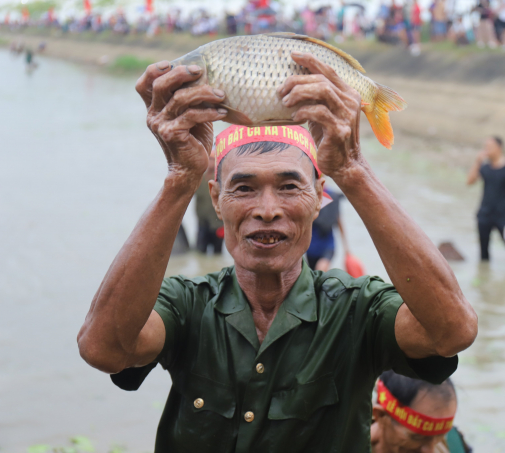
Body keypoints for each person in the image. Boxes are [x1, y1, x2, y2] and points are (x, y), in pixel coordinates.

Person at [77, 54, 478, 451]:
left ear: (320, 197)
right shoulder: (187, 305)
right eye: (244, 188)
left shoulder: (357, 310)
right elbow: (104, 349)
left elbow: (452, 331)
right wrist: (180, 178)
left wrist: (353, 169)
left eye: (289, 187)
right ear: (216, 199)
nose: (267, 210)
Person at [371, 371, 472, 453]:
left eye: (440, 436)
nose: (430, 450)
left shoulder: (454, 444)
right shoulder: (356, 445)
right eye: (417, 437)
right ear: (381, 416)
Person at [467, 136, 505, 267]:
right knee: (483, 254)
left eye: (489, 148)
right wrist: (477, 162)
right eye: (485, 148)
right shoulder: (485, 168)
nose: (486, 150)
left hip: (502, 216)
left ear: (499, 148)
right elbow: (469, 181)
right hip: (484, 215)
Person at [306, 187, 348, 271]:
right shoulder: (307, 195)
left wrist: (346, 249)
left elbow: (339, 221)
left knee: (320, 270)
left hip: (328, 246)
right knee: (313, 276)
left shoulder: (332, 196)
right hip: (310, 248)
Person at [195, 153, 225, 254]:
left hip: (217, 225)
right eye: (208, 159)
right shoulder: (199, 179)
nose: (210, 162)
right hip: (202, 224)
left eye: (212, 159)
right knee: (200, 253)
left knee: (217, 254)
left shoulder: (221, 180)